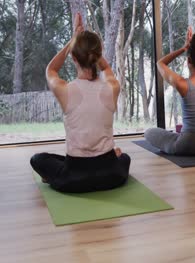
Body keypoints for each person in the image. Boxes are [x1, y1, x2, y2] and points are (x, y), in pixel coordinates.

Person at [30, 13, 130, 193]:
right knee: (125, 158)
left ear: (74, 58)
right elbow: (106, 68)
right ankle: (114, 156)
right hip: (111, 175)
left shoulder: (65, 90)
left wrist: (73, 40)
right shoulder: (112, 87)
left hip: (74, 178)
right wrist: (92, 50)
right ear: (98, 56)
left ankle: (56, 175)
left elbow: (51, 69)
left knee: (38, 159)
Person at [145, 27, 195, 155]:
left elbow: (160, 63)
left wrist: (184, 48)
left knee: (149, 133)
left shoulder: (182, 84)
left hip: (187, 145)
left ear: (188, 61)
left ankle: (180, 138)